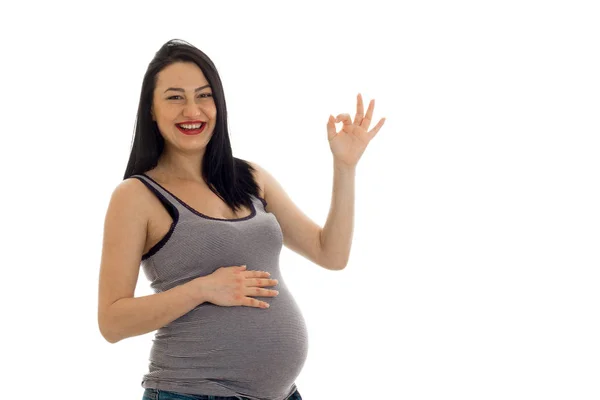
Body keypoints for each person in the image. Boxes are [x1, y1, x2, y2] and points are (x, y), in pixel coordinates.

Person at [97, 38, 385, 400]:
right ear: (151, 110)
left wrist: (345, 167)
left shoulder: (249, 178)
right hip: (192, 393)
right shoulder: (136, 196)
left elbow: (331, 254)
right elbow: (112, 321)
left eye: (204, 95)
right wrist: (203, 288)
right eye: (174, 97)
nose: (192, 110)